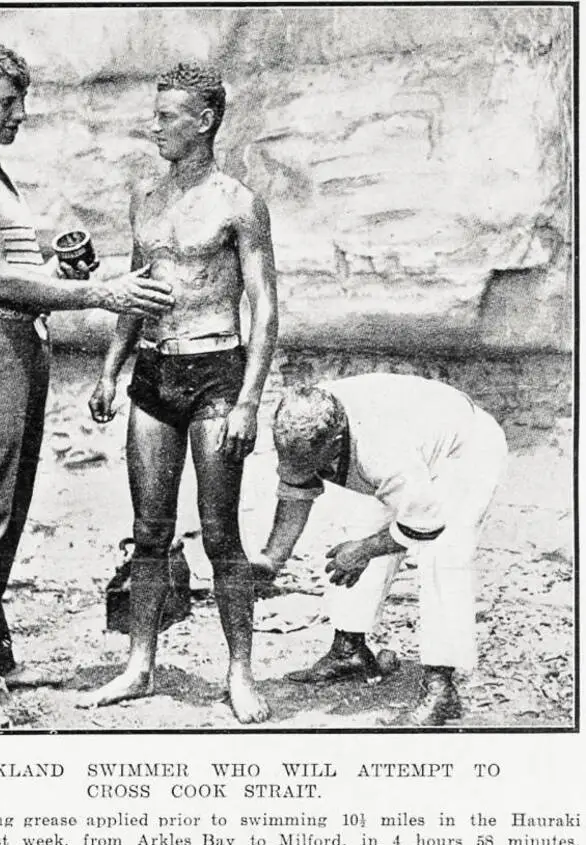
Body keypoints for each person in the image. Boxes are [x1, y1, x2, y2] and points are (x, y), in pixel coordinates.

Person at [0, 41, 174, 730]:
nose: (20, 114)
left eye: (22, 100)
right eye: (6, 102)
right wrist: (98, 290)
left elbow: (11, 271)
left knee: (4, 513)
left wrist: (63, 268)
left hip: (18, 347)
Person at [78, 62, 278, 724]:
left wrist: (250, 398)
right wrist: (111, 366)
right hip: (154, 374)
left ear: (205, 120)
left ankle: (240, 670)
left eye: (167, 116)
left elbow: (266, 307)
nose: (155, 125)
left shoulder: (238, 202)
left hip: (218, 370)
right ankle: (139, 664)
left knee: (221, 531)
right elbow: (136, 294)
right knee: (147, 530)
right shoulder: (146, 200)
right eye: (155, 113)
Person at [252, 375, 508, 726]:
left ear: (336, 441)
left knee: (443, 556)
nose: (304, 469)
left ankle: (440, 686)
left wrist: (365, 551)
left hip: (462, 450)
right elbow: (297, 487)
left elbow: (426, 524)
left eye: (313, 461)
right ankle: (349, 651)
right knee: (359, 526)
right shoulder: (300, 419)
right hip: (414, 450)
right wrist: (270, 562)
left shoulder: (381, 450)